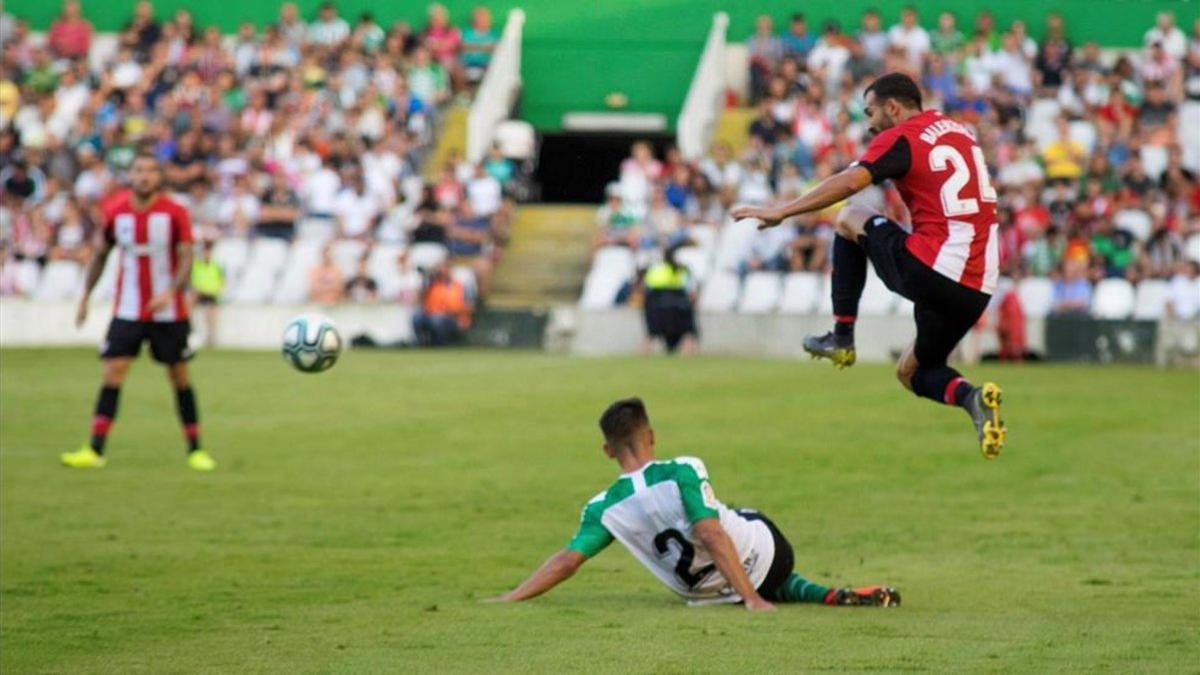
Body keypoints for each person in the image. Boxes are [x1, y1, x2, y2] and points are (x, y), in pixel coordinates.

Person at [731, 73, 1006, 460]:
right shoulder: (958, 132)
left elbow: (849, 182)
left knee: (849, 216)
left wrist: (783, 210)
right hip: (977, 289)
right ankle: (973, 399)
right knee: (912, 372)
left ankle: (842, 336)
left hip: (934, 268)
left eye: (871, 111)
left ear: (893, 107)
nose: (869, 122)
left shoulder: (903, 135)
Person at [490, 398, 900, 610]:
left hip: (705, 596)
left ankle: (802, 592)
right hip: (764, 560)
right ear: (650, 434)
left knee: (732, 530)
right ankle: (811, 592)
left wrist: (511, 597)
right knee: (743, 518)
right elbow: (708, 532)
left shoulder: (602, 508)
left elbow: (566, 562)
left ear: (607, 450)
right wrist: (753, 600)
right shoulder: (682, 468)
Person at [63, 153, 216, 471]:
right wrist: (85, 297)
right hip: (128, 309)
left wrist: (171, 291)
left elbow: (187, 255)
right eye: (138, 170)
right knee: (113, 372)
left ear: (159, 177)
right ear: (130, 175)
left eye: (150, 171)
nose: (144, 176)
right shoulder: (116, 211)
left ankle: (195, 450)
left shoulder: (175, 212)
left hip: (169, 312)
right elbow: (101, 255)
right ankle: (95, 450)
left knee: (179, 376)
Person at [642, 246, 698, 356]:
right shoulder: (683, 269)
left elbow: (646, 288)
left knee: (651, 332)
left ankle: (644, 353)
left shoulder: (655, 268)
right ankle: (686, 354)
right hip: (680, 305)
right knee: (687, 331)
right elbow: (692, 292)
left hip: (657, 305)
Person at [412, 261, 471, 347]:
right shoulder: (432, 285)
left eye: (444, 269)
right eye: (439, 269)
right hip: (432, 315)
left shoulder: (458, 285)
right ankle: (422, 343)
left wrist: (450, 311)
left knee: (437, 320)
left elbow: (468, 305)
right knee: (417, 317)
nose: (441, 272)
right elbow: (421, 299)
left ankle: (440, 344)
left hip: (452, 318)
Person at [190, 239, 224, 348]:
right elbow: (191, 280)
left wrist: (214, 290)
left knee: (211, 313)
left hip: (211, 293)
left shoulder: (216, 266)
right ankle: (190, 332)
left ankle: (211, 338)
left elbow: (221, 281)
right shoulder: (196, 265)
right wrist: (196, 289)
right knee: (188, 306)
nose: (206, 254)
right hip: (198, 293)